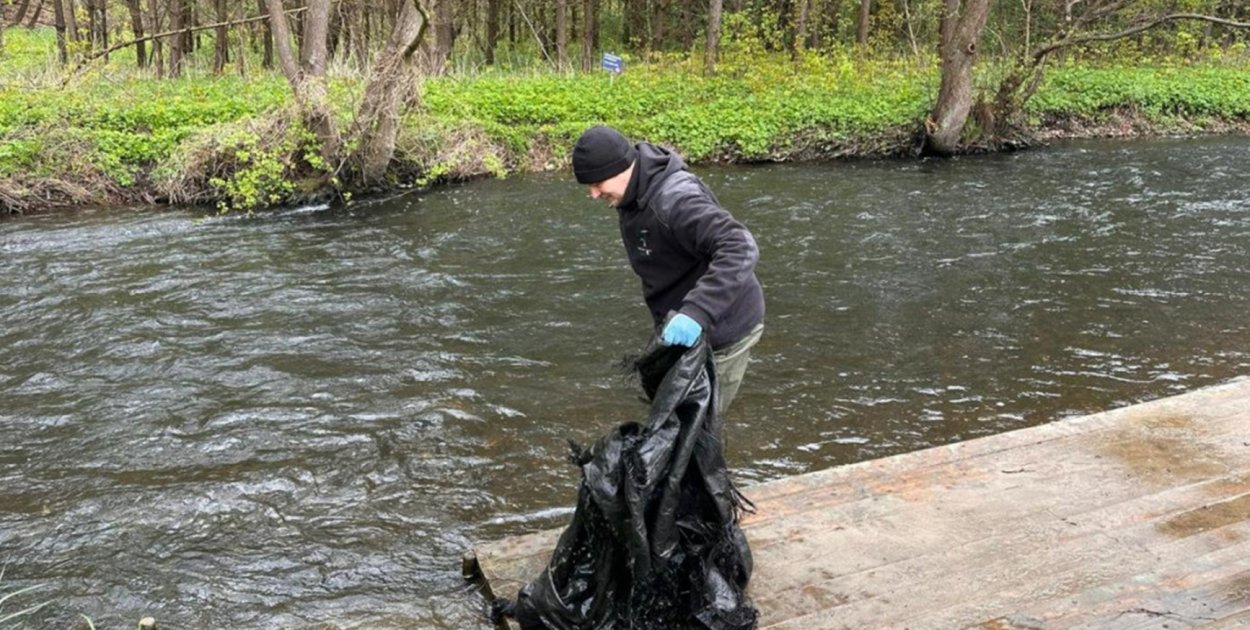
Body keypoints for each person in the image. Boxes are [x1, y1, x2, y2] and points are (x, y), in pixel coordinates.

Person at [571, 125, 765, 419]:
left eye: (598, 183)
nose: (593, 194)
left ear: (622, 167)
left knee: (695, 431)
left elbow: (739, 246)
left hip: (724, 329)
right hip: (677, 328)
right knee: (667, 421)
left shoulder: (676, 200)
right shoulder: (632, 194)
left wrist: (696, 313)